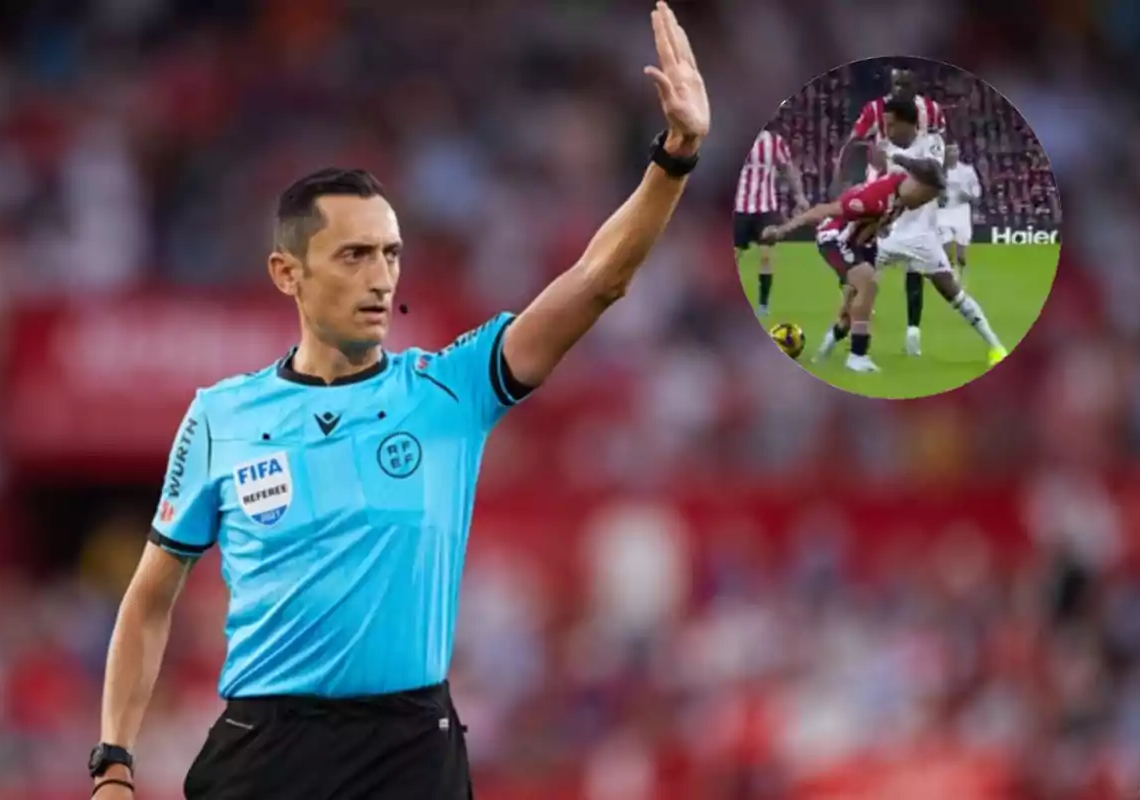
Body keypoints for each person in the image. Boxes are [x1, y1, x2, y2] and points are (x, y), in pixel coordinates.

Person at [86, 4, 710, 799]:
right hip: (263, 750)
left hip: (409, 752)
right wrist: (112, 764)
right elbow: (149, 597)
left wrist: (675, 158)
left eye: (391, 254)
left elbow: (597, 280)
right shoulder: (220, 416)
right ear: (288, 273)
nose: (382, 278)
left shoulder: (448, 390)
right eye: (353, 255)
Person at [762, 166, 941, 373]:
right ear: (915, 184)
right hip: (837, 238)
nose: (923, 203)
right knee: (868, 282)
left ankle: (824, 350)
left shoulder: (901, 191)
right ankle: (857, 355)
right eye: (924, 196)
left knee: (851, 309)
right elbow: (822, 210)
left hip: (864, 245)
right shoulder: (873, 198)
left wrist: (881, 228)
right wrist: (782, 231)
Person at [875, 99, 1007, 366]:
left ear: (906, 122)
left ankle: (996, 347)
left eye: (891, 124)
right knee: (855, 281)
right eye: (884, 124)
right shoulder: (884, 147)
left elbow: (934, 174)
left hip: (923, 236)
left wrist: (900, 158)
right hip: (891, 232)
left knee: (953, 294)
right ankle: (837, 351)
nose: (886, 129)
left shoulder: (931, 142)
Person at [833, 65, 948, 349]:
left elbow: (940, 148)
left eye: (905, 84)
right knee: (860, 258)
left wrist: (942, 184)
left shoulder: (932, 111)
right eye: (896, 84)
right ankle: (850, 321)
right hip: (879, 194)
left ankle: (912, 332)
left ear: (915, 84)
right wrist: (841, 178)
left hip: (915, 191)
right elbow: (853, 140)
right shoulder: (874, 109)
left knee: (915, 262)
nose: (900, 89)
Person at [734, 126, 810, 317]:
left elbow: (788, 169)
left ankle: (763, 303)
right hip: (739, 208)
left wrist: (799, 196)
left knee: (766, 255)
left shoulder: (774, 142)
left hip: (766, 208)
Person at [938, 143, 981, 281]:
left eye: (955, 150)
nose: (953, 153)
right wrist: (938, 198)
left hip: (961, 212)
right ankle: (950, 276)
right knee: (947, 246)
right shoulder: (939, 171)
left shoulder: (967, 171)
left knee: (961, 252)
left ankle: (961, 274)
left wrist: (971, 196)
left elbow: (976, 189)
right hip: (943, 213)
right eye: (950, 151)